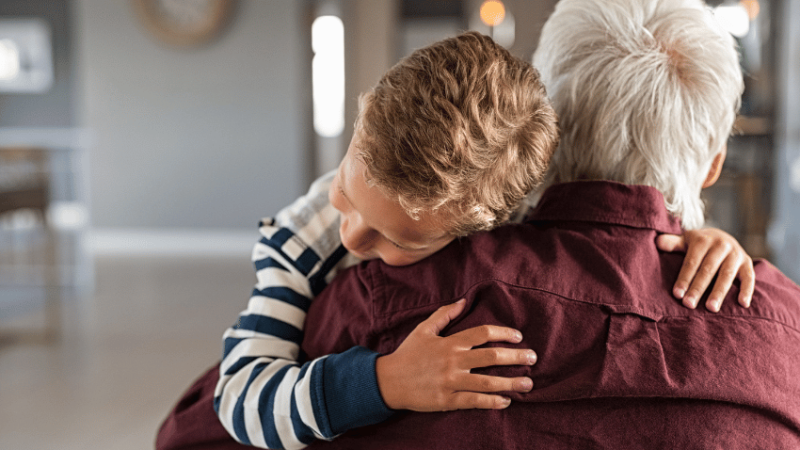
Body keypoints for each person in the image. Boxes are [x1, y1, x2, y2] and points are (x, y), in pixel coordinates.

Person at [156, 26, 761, 450]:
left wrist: (702, 235)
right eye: (346, 189)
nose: (351, 234)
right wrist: (384, 381)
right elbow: (239, 399)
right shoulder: (294, 248)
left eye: (398, 240)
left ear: (489, 227)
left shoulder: (510, 202)